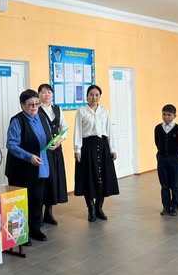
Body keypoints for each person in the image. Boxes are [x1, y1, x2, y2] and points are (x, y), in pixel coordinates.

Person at [5, 89, 52, 242]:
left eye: (37, 103)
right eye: (30, 104)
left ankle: (35, 229)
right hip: (21, 168)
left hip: (40, 166)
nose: (34, 107)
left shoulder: (42, 117)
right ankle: (19, 235)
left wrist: (54, 143)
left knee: (37, 199)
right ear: (22, 105)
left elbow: (48, 136)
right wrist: (29, 156)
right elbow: (11, 145)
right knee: (21, 203)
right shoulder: (17, 121)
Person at [73, 85, 119, 222]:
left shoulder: (104, 111)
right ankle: (91, 209)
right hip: (87, 147)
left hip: (103, 146)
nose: (94, 97)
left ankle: (99, 207)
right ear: (87, 96)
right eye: (91, 94)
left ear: (100, 96)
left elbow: (109, 130)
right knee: (88, 178)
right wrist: (77, 150)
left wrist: (112, 148)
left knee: (103, 177)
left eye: (97, 95)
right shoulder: (81, 111)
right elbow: (78, 131)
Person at [38, 84, 68, 225]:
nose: (46, 95)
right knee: (43, 180)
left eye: (49, 92)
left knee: (54, 180)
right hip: (42, 150)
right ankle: (38, 213)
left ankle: (48, 213)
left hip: (55, 149)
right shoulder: (36, 109)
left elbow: (64, 128)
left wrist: (59, 142)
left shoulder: (57, 109)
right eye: (43, 92)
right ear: (39, 95)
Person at [154, 104, 178, 216]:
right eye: (164, 114)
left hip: (174, 160)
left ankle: (175, 207)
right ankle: (166, 206)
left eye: (169, 115)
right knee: (164, 185)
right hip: (162, 159)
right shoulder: (158, 128)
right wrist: (162, 154)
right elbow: (157, 141)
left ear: (174, 115)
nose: (166, 117)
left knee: (175, 185)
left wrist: (174, 153)